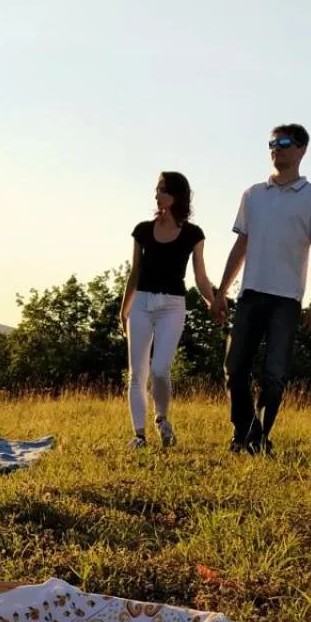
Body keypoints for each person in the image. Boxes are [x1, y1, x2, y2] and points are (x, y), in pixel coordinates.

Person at [212, 123, 311, 455]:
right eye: (271, 144)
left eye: (284, 142)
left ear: (302, 150)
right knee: (234, 367)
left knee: (274, 374)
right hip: (250, 293)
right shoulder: (253, 194)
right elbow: (241, 246)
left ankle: (258, 439)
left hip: (286, 299)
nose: (276, 148)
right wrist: (221, 292)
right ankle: (246, 431)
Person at [118, 171, 216, 449]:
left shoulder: (193, 234)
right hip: (141, 304)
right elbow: (135, 273)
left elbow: (200, 277)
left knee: (160, 369)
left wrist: (213, 302)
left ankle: (161, 419)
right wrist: (123, 310)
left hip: (172, 306)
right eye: (157, 189)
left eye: (162, 189)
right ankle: (139, 435)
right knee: (137, 373)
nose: (157, 194)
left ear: (176, 195)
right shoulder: (142, 231)